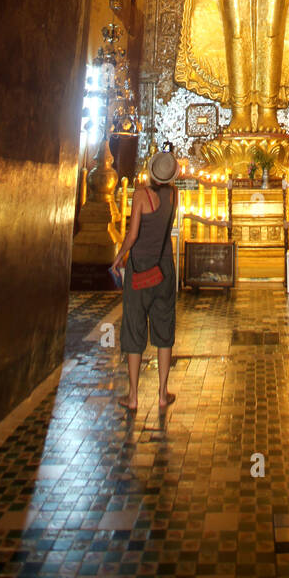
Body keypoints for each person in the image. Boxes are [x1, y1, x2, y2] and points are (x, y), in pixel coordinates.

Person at [113, 150, 180, 410]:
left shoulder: (141, 195)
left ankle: (133, 396)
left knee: (134, 327)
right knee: (164, 329)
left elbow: (132, 235)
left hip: (140, 268)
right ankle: (163, 393)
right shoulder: (175, 194)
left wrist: (119, 256)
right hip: (164, 268)